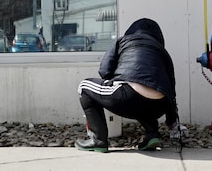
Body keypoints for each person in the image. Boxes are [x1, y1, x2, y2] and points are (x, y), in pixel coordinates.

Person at [75, 18, 181, 152]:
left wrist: (111, 88)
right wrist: (172, 123)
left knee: (84, 86)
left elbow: (105, 70)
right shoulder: (164, 53)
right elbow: (171, 92)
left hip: (127, 97)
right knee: (144, 95)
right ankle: (152, 135)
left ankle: (98, 140)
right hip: (158, 107)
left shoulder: (123, 41)